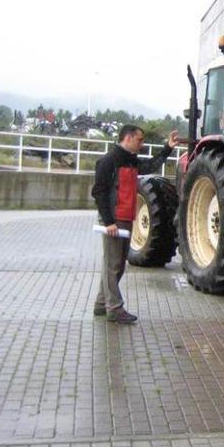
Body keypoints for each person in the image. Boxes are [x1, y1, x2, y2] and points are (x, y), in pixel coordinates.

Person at [91, 125, 180, 324]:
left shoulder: (129, 160)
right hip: (114, 219)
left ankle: (101, 303)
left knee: (115, 264)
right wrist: (109, 222)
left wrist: (167, 148)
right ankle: (114, 308)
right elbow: (98, 192)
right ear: (128, 138)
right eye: (140, 140)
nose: (142, 144)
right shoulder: (108, 161)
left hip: (124, 217)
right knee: (114, 265)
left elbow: (149, 167)